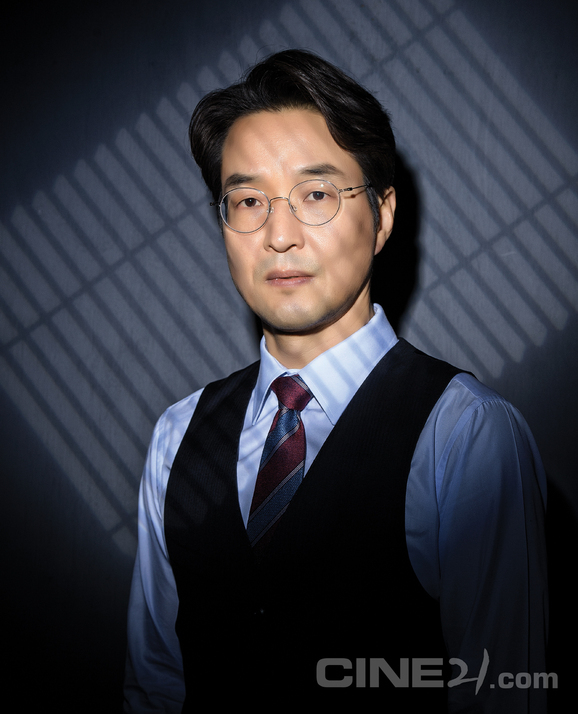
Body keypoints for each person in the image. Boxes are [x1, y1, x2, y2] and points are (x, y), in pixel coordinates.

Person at [123, 50, 548, 713]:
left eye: (316, 195)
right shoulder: (177, 436)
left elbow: (501, 696)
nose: (279, 235)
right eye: (248, 201)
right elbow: (154, 687)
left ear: (382, 215)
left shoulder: (465, 435)